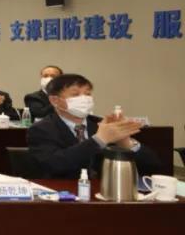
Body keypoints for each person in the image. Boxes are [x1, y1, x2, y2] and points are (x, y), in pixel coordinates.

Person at [27, 74, 160, 179]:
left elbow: (154, 167)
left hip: (107, 192)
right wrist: (98, 140)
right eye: (75, 94)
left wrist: (127, 144)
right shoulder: (41, 129)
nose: (84, 99)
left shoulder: (101, 124)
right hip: (63, 195)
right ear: (54, 100)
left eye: (88, 94)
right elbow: (55, 165)